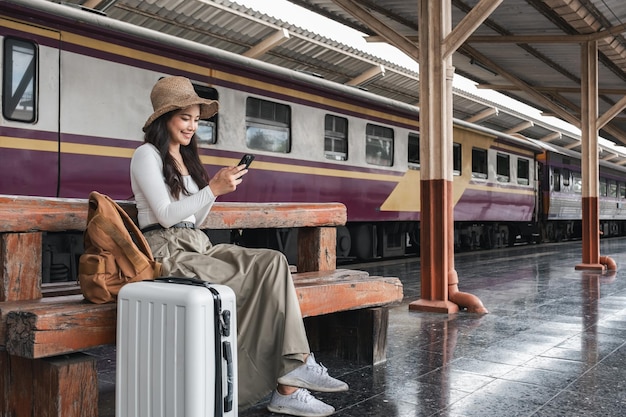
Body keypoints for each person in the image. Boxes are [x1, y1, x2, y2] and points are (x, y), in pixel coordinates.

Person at [130, 76, 348, 417]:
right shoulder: (146, 155)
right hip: (167, 252)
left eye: (196, 120)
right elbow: (166, 215)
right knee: (254, 283)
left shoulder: (185, 159)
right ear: (164, 118)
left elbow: (194, 221)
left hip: (196, 244)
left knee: (274, 262)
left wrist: (215, 190)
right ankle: (289, 382)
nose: (192, 127)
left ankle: (295, 370)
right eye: (185, 118)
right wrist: (213, 189)